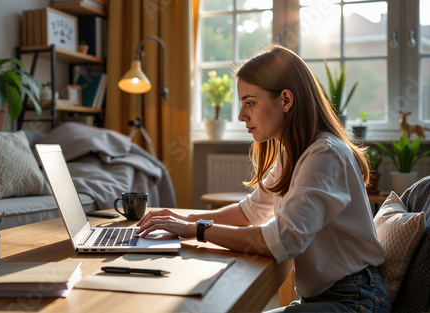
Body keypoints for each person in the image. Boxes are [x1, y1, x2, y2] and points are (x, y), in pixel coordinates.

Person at [136, 44, 390, 312]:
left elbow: (284, 240)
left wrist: (198, 230)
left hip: (356, 301)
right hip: (328, 298)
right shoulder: (295, 152)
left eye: (250, 103)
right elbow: (250, 211)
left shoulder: (325, 155)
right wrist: (183, 220)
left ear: (286, 100)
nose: (241, 115)